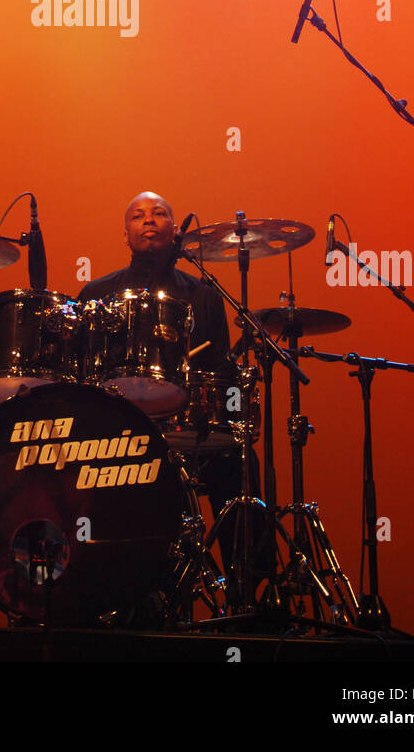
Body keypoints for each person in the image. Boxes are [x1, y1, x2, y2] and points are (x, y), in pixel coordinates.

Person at [79, 190, 267, 602]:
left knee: (241, 459)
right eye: (138, 216)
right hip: (119, 431)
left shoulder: (204, 294)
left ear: (176, 230)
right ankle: (105, 594)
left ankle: (249, 592)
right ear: (125, 233)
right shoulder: (97, 294)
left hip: (186, 427)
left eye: (159, 213)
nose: (149, 220)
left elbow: (220, 368)